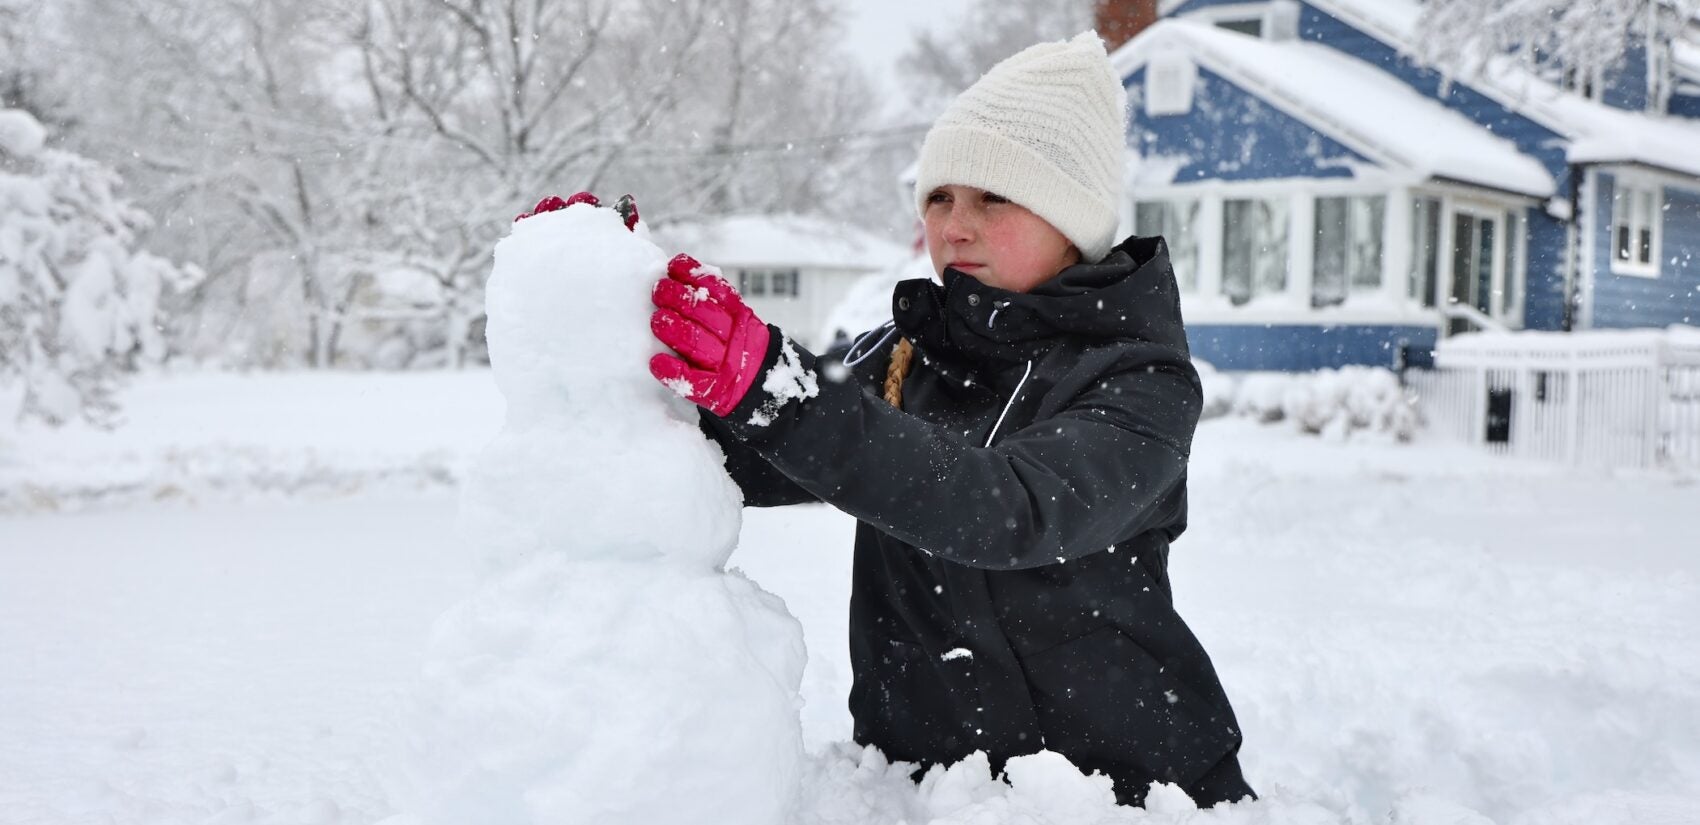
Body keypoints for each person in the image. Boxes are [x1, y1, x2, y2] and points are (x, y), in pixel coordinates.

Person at [542, 30, 1254, 808]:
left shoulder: (1139, 377)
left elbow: (1009, 510)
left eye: (994, 196)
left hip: (1128, 792)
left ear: (1071, 217)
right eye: (940, 196)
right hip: (924, 791)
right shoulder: (907, 356)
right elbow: (744, 453)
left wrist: (779, 389)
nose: (954, 225)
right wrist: (617, 304)